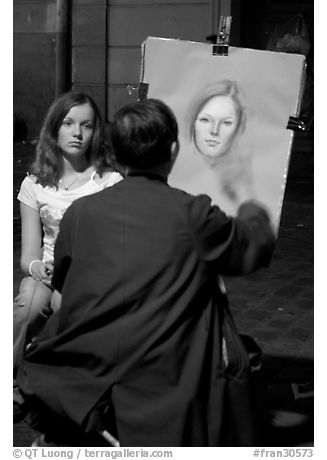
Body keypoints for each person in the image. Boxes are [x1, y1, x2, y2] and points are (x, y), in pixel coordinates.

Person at [17, 98, 275, 447]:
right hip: (166, 379)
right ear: (173, 149)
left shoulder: (82, 213)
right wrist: (251, 203)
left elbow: (64, 280)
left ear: (117, 153)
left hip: (86, 371)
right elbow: (254, 247)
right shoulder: (192, 212)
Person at [13, 91, 122, 382]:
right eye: (69, 123)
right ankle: (11, 379)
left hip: (91, 276)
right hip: (48, 273)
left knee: (66, 307)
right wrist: (38, 269)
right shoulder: (34, 183)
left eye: (86, 125)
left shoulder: (109, 181)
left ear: (95, 131)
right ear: (54, 129)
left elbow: (116, 249)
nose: (77, 133)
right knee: (28, 307)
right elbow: (28, 256)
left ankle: (65, 383)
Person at [186, 79, 254, 205]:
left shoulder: (242, 181)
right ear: (192, 122)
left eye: (226, 123)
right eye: (205, 120)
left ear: (239, 127)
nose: (214, 131)